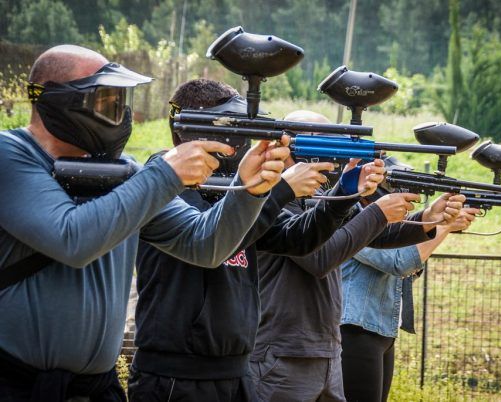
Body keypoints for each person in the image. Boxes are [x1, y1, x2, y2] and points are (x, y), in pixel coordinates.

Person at [0, 45, 289, 402]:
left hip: (97, 387)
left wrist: (250, 190)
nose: (121, 114)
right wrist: (165, 175)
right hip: (18, 384)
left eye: (121, 101)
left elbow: (205, 244)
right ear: (59, 100)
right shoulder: (10, 154)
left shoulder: (121, 172)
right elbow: (72, 238)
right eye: (107, 101)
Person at [127, 79, 386, 402]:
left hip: (236, 371)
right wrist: (280, 190)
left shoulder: (233, 188)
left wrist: (343, 193)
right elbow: (208, 238)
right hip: (176, 376)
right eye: (235, 129)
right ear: (195, 128)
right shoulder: (162, 180)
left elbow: (298, 239)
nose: (242, 142)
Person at [249, 111, 466, 402]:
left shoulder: (318, 195)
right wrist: (378, 212)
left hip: (325, 348)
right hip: (281, 350)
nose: (334, 155)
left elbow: (376, 235)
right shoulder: (270, 197)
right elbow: (319, 258)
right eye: (324, 142)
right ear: (291, 146)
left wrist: (427, 218)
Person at [340, 205, 479, 401]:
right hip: (355, 329)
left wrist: (440, 225)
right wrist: (444, 225)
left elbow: (404, 273)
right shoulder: (353, 220)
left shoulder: (377, 223)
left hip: (381, 329)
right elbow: (399, 262)